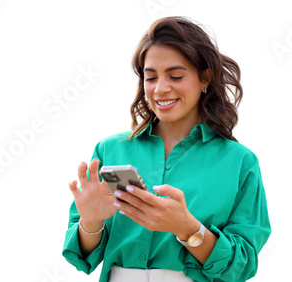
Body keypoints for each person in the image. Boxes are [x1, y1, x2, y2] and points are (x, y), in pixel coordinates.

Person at [62, 16, 271, 282]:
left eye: (175, 76)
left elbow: (241, 267)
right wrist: (90, 222)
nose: (160, 89)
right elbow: (82, 256)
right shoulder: (111, 151)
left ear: (204, 77)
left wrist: (189, 230)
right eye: (150, 78)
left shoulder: (239, 162)